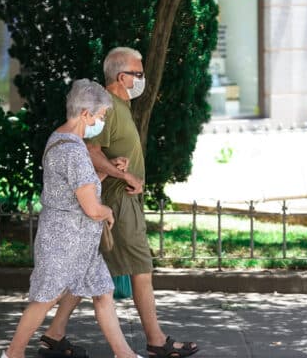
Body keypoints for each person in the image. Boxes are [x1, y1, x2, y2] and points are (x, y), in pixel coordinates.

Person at [39, 48, 199, 358]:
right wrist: (124, 176)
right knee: (141, 267)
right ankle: (156, 341)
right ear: (121, 76)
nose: (142, 80)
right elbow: (91, 151)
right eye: (138, 74)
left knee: (93, 269)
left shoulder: (119, 106)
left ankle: (53, 334)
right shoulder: (108, 106)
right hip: (118, 200)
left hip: (119, 199)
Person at [0, 79, 142, 358]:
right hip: (66, 241)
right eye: (100, 117)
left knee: (102, 292)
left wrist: (108, 170)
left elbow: (78, 188)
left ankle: (124, 355)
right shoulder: (74, 152)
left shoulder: (60, 139)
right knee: (44, 299)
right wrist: (107, 212)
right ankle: (12, 354)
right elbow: (91, 207)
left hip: (76, 242)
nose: (101, 122)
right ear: (86, 114)